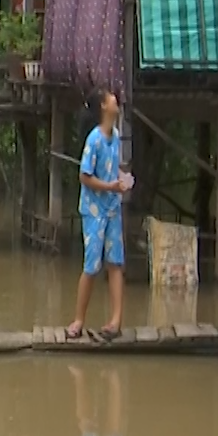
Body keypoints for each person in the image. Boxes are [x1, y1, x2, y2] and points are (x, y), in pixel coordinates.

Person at [65, 88, 133, 341]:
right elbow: (84, 176)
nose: (116, 100)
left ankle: (116, 321)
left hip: (113, 208)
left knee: (115, 263)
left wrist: (121, 180)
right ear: (104, 106)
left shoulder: (115, 135)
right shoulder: (94, 139)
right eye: (111, 98)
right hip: (94, 211)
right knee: (91, 265)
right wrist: (111, 187)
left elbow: (112, 168)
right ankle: (78, 319)